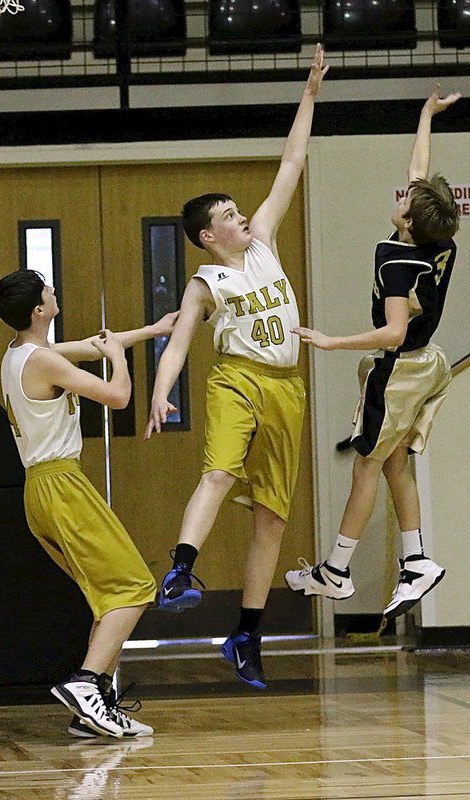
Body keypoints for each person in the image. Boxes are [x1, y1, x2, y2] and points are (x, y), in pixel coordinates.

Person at [144, 44, 329, 690]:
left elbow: (292, 162)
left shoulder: (266, 241)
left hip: (287, 388)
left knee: (271, 520)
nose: (241, 216)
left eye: (237, 210)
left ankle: (246, 634)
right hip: (237, 380)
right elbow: (179, 345)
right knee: (219, 473)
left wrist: (308, 92)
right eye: (227, 216)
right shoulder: (205, 283)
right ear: (207, 237)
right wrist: (160, 396)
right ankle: (181, 569)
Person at [285, 87, 462, 621]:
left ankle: (336, 571)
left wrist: (331, 341)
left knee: (366, 465)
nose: (402, 194)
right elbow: (419, 170)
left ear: (406, 221)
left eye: (406, 199)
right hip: (430, 362)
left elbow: (390, 333)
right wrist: (425, 115)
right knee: (393, 464)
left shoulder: (395, 259)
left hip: (400, 367)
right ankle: (418, 560)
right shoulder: (441, 240)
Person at [0, 268, 178, 738]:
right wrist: (120, 359)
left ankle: (92, 711)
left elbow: (98, 342)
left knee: (107, 595)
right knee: (133, 586)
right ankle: (87, 684)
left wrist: (154, 330)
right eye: (49, 291)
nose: (55, 292)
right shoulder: (45, 361)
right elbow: (117, 397)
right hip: (61, 486)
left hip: (40, 489)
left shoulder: (24, 352)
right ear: (39, 310)